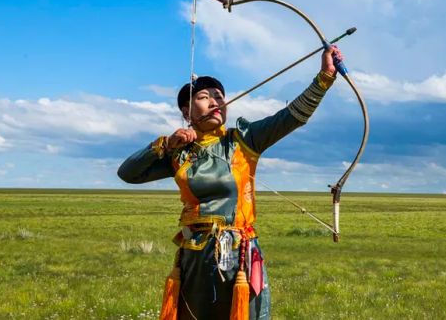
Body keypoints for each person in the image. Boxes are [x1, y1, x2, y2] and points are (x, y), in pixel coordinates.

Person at [117, 46, 342, 320]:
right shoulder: (178, 153)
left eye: (219, 97)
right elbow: (128, 173)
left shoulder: (243, 140)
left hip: (240, 255)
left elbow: (292, 116)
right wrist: (163, 145)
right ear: (187, 112)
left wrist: (325, 77)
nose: (215, 102)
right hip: (195, 256)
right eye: (203, 97)